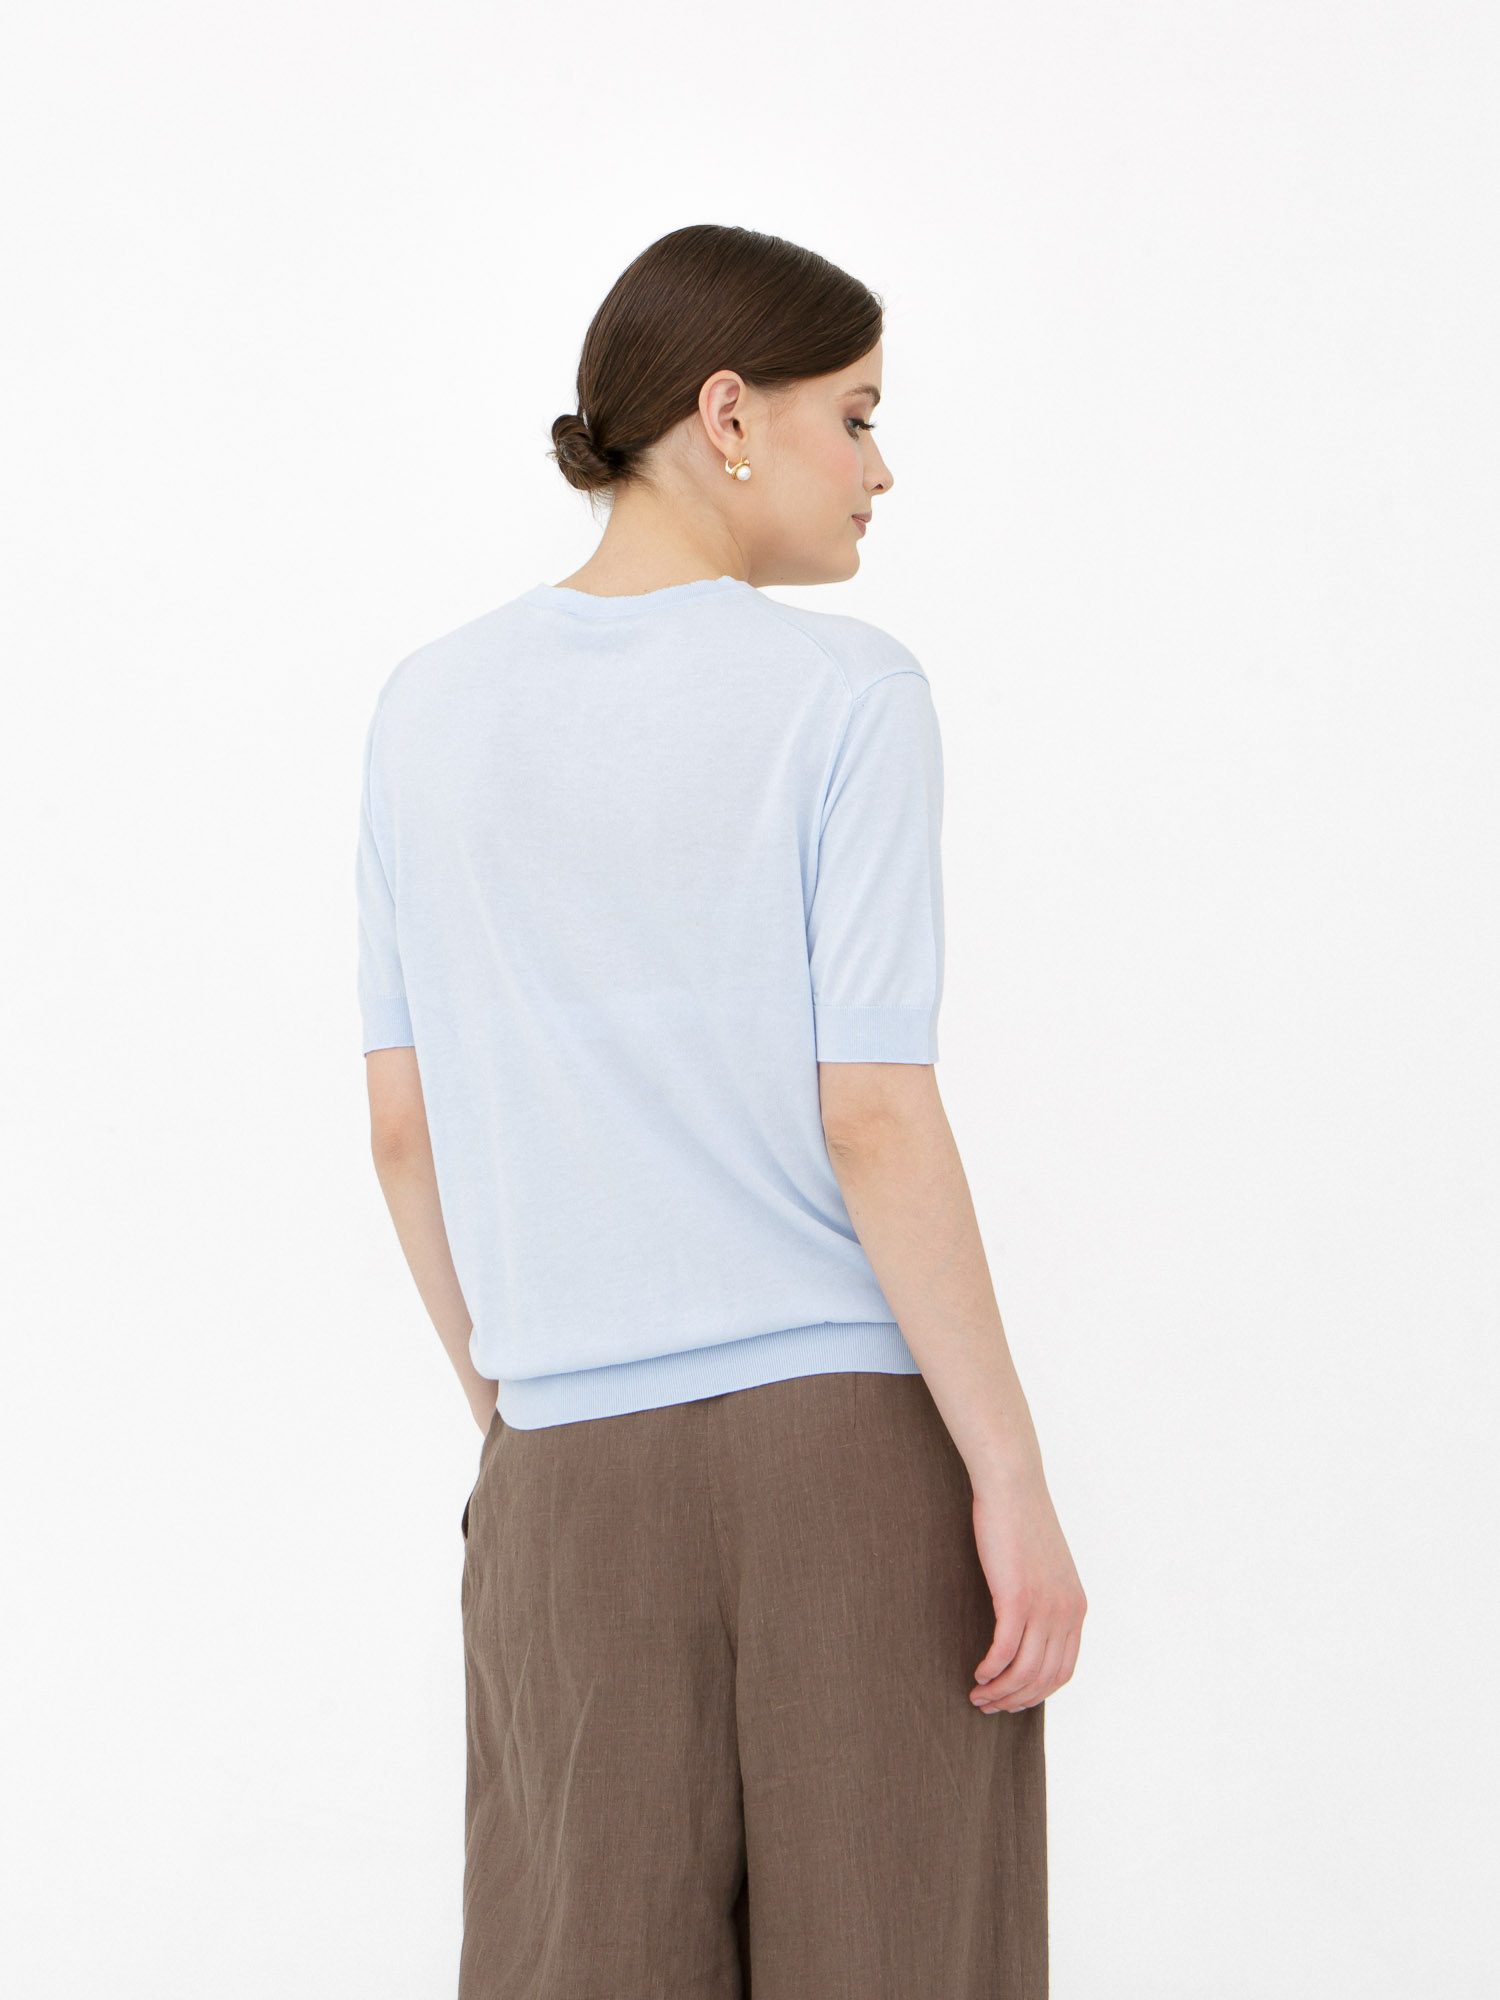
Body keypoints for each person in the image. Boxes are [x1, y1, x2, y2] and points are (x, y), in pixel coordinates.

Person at [356, 221, 1086, 1999]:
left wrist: (523, 1415)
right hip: (848, 1461)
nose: (881, 469)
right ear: (731, 413)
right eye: (860, 415)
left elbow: (402, 1129)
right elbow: (873, 1117)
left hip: (565, 1470)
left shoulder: (425, 713)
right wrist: (1008, 1474)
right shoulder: (849, 694)